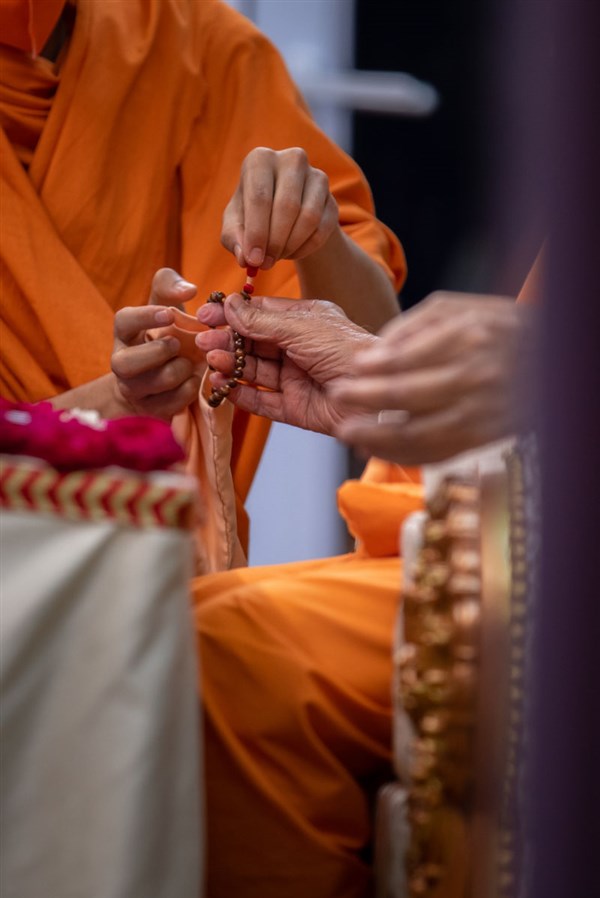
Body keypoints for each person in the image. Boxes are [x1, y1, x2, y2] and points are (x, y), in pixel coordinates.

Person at [109, 279, 532, 898]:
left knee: (234, 651)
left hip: (537, 554)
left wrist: (544, 370)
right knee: (175, 622)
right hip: (509, 517)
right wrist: (389, 401)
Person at [0, 0, 405, 558]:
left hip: (172, 564)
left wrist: (318, 238)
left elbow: (379, 363)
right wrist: (114, 402)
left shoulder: (197, 42)